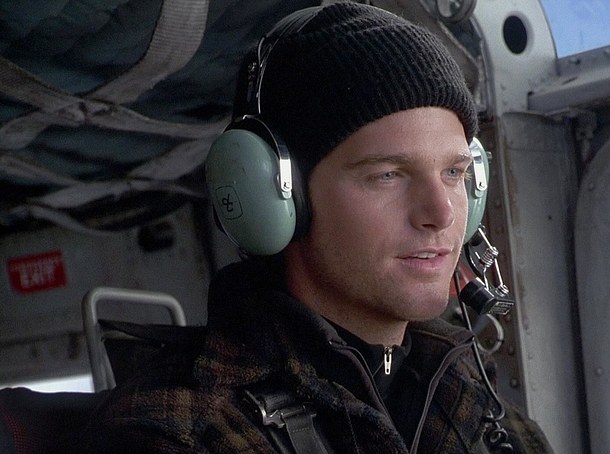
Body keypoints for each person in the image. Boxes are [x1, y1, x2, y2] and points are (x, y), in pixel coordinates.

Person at [84, 2, 553, 452]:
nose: (443, 214)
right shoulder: (178, 433)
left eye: (454, 173)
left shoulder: (494, 420)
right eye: (388, 175)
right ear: (276, 196)